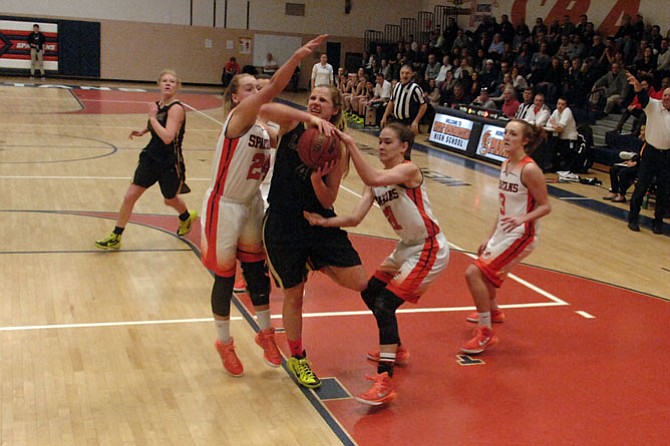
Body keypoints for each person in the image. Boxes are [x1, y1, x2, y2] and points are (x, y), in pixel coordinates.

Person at [201, 35, 331, 377]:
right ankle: (224, 342)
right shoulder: (239, 118)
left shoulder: (265, 128)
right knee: (225, 279)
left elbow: (283, 124)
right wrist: (298, 57)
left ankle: (265, 334)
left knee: (257, 273)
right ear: (235, 97)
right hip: (225, 205)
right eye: (248, 87)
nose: (255, 90)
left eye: (255, 86)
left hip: (251, 204)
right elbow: (273, 92)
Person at [304, 122, 449, 405]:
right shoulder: (377, 181)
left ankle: (385, 379)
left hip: (429, 247)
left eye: (387, 142)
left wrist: (351, 143)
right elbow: (355, 218)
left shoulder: (409, 170)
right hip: (407, 247)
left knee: (385, 305)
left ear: (404, 147)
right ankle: (397, 349)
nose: (381, 147)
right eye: (379, 142)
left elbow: (370, 175)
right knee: (370, 292)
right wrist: (325, 221)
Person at [263, 84, 368, 389]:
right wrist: (305, 114)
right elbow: (264, 109)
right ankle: (297, 357)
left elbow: (327, 199)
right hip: (283, 221)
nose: (315, 102)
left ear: (335, 109)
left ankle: (314, 262)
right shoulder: (292, 123)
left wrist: (315, 179)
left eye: (322, 100)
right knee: (294, 295)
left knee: (359, 281)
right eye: (312, 98)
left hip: (318, 221)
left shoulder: (338, 145)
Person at [461, 119, 551, 355]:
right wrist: (490, 237)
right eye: (505, 133)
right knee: (485, 272)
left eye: (513, 134)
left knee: (474, 273)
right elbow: (503, 208)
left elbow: (545, 206)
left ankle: (485, 332)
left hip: (523, 234)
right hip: (504, 231)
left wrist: (523, 219)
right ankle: (493, 311)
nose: (506, 137)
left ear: (525, 140)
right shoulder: (505, 164)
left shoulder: (529, 169)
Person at [95, 69, 196, 250]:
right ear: (158, 84)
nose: (167, 83)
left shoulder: (176, 109)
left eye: (172, 81)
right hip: (151, 157)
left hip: (170, 162)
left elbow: (167, 137)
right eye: (164, 80)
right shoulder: (158, 105)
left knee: (170, 199)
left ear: (177, 86)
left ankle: (186, 217)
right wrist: (145, 129)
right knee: (130, 196)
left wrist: (151, 117)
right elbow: (157, 124)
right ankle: (116, 235)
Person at [626, 72, 670, 235]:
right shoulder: (654, 105)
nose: (666, 98)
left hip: (666, 155)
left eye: (669, 96)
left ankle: (657, 222)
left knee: (663, 191)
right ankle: (633, 219)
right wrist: (637, 86)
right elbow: (643, 97)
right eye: (665, 95)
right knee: (641, 186)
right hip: (651, 153)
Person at [380, 64, 427, 135]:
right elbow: (391, 102)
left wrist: (416, 121)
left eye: (407, 73)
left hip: (408, 122)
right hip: (396, 120)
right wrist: (384, 116)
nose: (404, 75)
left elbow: (423, 105)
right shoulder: (396, 86)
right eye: (402, 73)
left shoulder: (415, 88)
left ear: (412, 74)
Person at [603, 126, 645, 203]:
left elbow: (647, 158)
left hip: (643, 167)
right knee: (614, 168)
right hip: (636, 163)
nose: (642, 133)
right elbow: (638, 155)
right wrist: (631, 160)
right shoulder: (642, 143)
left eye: (644, 131)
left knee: (624, 173)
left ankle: (622, 194)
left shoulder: (650, 145)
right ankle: (614, 191)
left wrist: (636, 163)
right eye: (641, 130)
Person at [546, 97, 578, 172]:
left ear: (566, 106)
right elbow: (548, 123)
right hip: (560, 137)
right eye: (558, 104)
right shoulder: (555, 111)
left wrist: (554, 125)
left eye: (562, 104)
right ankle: (553, 165)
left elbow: (560, 128)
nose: (560, 106)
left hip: (569, 138)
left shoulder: (567, 112)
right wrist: (554, 125)